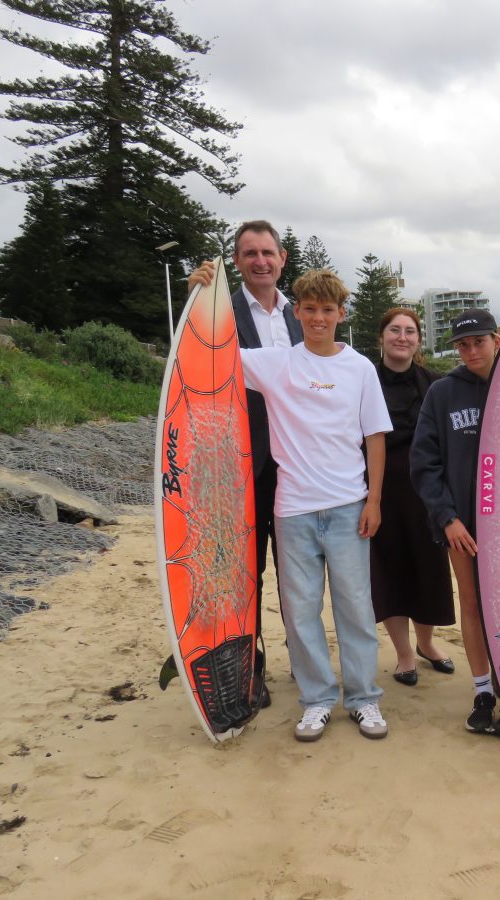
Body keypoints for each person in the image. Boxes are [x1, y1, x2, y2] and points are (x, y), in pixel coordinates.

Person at [191, 265, 393, 743]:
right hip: (294, 509)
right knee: (300, 611)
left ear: (341, 314)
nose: (318, 317)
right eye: (310, 309)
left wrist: (374, 500)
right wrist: (200, 296)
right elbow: (207, 353)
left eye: (328, 309)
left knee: (355, 607)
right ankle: (318, 700)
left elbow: (375, 437)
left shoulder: (360, 368)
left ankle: (363, 698)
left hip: (348, 505)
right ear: (296, 311)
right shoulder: (276, 363)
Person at [189, 223, 303, 709]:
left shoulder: (300, 316)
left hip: (296, 462)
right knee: (245, 571)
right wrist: (196, 297)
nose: (260, 261)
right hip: (240, 463)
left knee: (296, 571)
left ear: (282, 258)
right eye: (249, 253)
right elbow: (192, 364)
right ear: (237, 261)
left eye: (268, 253)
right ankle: (249, 667)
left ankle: (305, 662)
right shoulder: (219, 310)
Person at [410, 308, 500, 737]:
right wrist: (447, 517)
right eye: (463, 344)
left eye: (479, 341)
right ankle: (483, 691)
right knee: (471, 603)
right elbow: (424, 462)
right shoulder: (443, 393)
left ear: (497, 339)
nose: (471, 350)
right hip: (463, 526)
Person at [370, 307, 456, 685]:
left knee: (429, 570)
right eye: (394, 330)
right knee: (390, 572)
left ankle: (426, 643)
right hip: (379, 491)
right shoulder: (364, 379)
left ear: (419, 340)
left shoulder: (435, 384)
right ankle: (404, 654)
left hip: (426, 493)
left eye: (409, 331)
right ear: (381, 337)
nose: (401, 337)